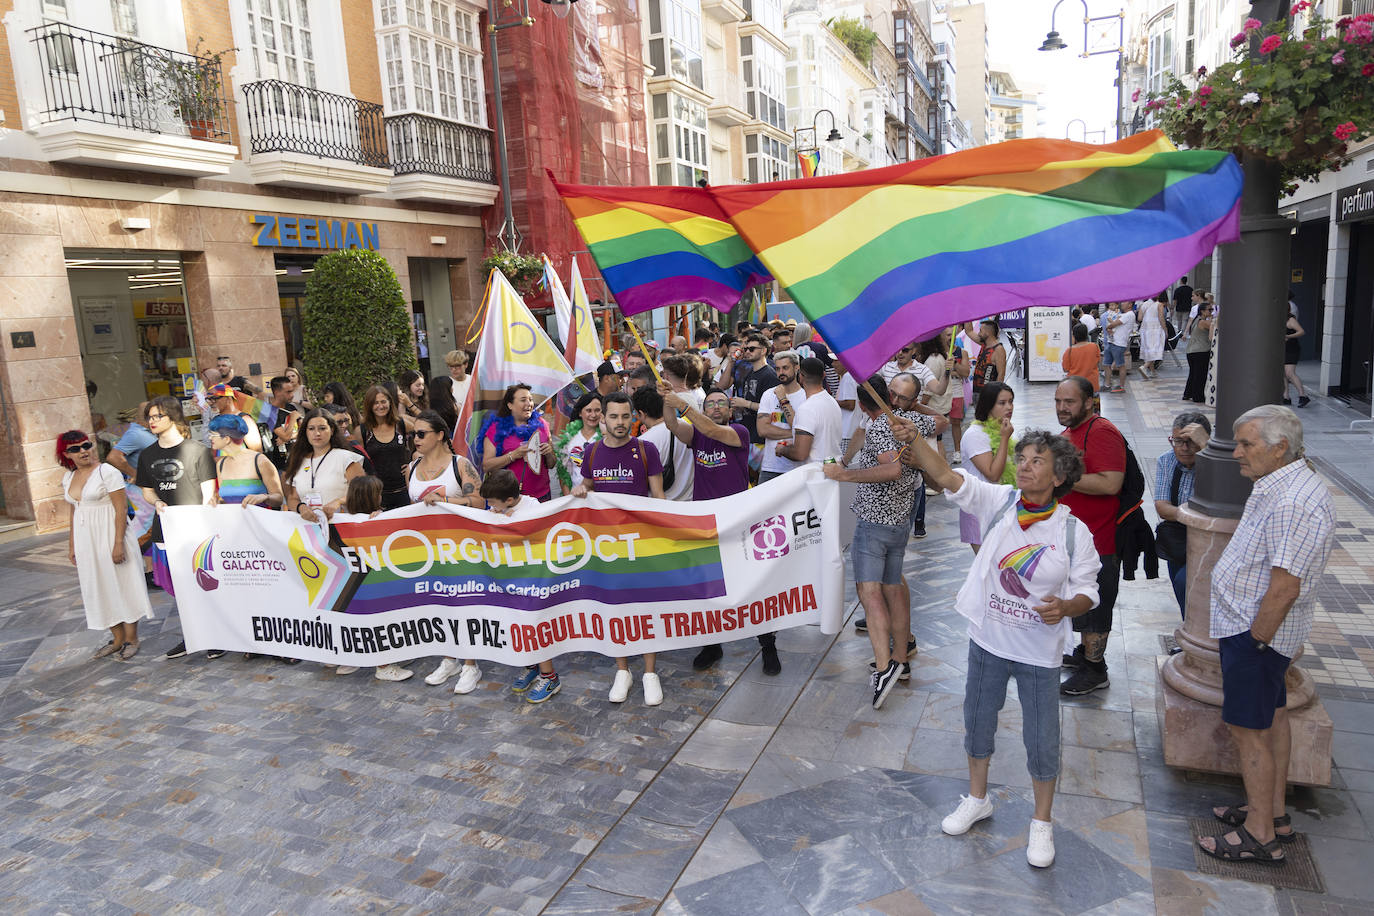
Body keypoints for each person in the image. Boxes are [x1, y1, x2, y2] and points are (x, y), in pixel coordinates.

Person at [896, 424, 1098, 867]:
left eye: (1036, 461)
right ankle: (977, 798)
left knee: (1042, 737)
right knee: (977, 720)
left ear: (1059, 476)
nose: (1024, 466)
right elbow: (949, 478)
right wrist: (913, 440)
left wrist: (1065, 606)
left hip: (1038, 653)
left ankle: (1041, 822)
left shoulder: (1072, 532)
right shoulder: (1001, 501)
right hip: (989, 641)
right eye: (1021, 458)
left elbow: (1088, 591)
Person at [1198, 405, 1335, 866]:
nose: (1236, 452)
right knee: (1271, 719)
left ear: (1279, 449)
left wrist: (1257, 640)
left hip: (1257, 636)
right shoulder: (1278, 483)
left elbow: (1285, 586)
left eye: (1245, 444)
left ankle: (1260, 836)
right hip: (1258, 634)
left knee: (1249, 731)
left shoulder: (1293, 499)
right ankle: (1271, 813)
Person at [821, 375, 935, 708]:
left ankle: (884, 668)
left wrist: (844, 474)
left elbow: (891, 470)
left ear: (860, 405)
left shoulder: (883, 428)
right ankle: (900, 661)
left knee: (869, 594)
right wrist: (846, 459)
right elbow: (936, 421)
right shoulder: (905, 420)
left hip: (876, 522)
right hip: (900, 520)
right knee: (893, 588)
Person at [658, 383, 781, 674]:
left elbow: (712, 431)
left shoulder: (739, 433)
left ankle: (767, 643)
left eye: (720, 403)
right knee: (709, 586)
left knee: (753, 585)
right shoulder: (696, 433)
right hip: (706, 523)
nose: (715, 407)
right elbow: (672, 424)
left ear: (730, 410)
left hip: (738, 522)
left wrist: (684, 405)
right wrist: (667, 399)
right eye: (710, 403)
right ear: (704, 409)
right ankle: (712, 645)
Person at [571, 392, 665, 705]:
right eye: (614, 417)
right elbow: (587, 489)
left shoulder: (646, 448)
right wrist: (579, 489)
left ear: (633, 417)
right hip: (606, 547)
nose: (621, 423)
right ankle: (622, 670)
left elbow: (658, 498)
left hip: (640, 544)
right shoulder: (592, 451)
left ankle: (650, 673)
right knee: (615, 608)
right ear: (603, 419)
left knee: (645, 608)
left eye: (626, 417)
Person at [403, 410, 485, 691]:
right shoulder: (412, 467)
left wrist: (446, 500)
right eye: (414, 433)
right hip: (426, 549)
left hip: (460, 546)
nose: (416, 438)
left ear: (440, 435)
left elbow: (480, 501)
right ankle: (450, 658)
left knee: (463, 603)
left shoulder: (459, 464)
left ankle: (471, 664)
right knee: (439, 604)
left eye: (422, 433)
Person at [1055, 377, 1125, 696]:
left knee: (1096, 608)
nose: (1062, 407)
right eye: (1058, 401)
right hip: (1075, 538)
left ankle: (1096, 669)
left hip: (1100, 539)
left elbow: (1111, 483)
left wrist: (1064, 477)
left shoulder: (1102, 431)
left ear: (1088, 402)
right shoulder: (1070, 433)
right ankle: (1084, 655)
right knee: (1081, 604)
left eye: (1069, 402)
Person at [59, 429, 154, 661]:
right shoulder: (68, 477)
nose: (83, 451)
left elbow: (121, 509)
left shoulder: (106, 472)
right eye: (75, 449)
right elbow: (74, 512)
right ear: (66, 454)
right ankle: (117, 638)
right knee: (98, 586)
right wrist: (72, 546)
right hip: (86, 540)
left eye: (86, 445)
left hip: (112, 534)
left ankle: (132, 639)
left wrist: (118, 543)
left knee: (124, 584)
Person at [136, 397, 218, 660]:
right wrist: (157, 501)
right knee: (180, 589)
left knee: (205, 584)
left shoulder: (197, 450)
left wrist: (204, 522)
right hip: (165, 530)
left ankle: (217, 636)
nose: (151, 421)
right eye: (149, 417)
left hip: (197, 531)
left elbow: (209, 492)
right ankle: (192, 636)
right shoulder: (147, 455)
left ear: (172, 416)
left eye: (156, 416)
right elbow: (147, 491)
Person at [495, 469, 564, 704]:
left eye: (495, 504)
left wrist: (515, 522)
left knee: (536, 625)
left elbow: (544, 533)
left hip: (534, 581)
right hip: (511, 581)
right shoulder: (497, 509)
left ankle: (550, 676)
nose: (492, 508)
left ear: (510, 500)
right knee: (519, 626)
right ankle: (532, 666)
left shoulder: (534, 507)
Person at [1154, 413, 1211, 617]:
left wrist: (1207, 451)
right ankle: (1190, 633)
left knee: (1185, 582)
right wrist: (1194, 516)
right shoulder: (1166, 461)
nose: (1184, 448)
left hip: (1209, 542)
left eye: (1191, 442)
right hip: (1178, 540)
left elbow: (1227, 489)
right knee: (1181, 589)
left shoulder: (1218, 465)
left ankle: (1199, 639)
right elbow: (1162, 507)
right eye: (1178, 441)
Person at [959, 382, 1017, 554]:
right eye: (1002, 403)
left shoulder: (1001, 429)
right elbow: (993, 474)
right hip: (980, 510)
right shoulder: (975, 434)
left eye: (1011, 401)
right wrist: (1005, 439)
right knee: (991, 569)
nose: (1009, 407)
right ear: (988, 404)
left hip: (1001, 507)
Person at [283, 409, 366, 524]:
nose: (317, 433)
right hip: (309, 531)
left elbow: (363, 492)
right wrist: (301, 508)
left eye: (322, 428)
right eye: (311, 429)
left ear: (332, 430)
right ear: (305, 432)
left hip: (344, 528)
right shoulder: (298, 461)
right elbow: (292, 498)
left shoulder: (346, 459)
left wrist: (339, 502)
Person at [481, 384, 554, 502]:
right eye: (523, 400)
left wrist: (549, 453)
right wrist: (513, 455)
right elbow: (486, 466)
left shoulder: (542, 424)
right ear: (510, 405)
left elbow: (551, 464)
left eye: (530, 399)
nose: (529, 404)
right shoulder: (496, 429)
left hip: (541, 495)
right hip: (509, 498)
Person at [776, 357, 842, 467]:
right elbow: (821, 438)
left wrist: (782, 449)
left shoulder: (807, 409)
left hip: (815, 475)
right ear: (824, 375)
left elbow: (800, 454)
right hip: (833, 470)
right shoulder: (832, 402)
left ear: (800, 377)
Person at [208, 414, 282, 509]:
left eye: (213, 435)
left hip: (259, 521)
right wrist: (216, 500)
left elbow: (279, 498)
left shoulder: (260, 461)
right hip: (234, 522)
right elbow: (224, 499)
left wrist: (265, 497)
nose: (210, 438)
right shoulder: (221, 464)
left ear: (226, 439)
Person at [634, 387, 695, 501]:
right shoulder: (685, 427)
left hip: (662, 508)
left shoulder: (643, 442)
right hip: (691, 503)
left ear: (641, 413)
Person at [731, 332, 779, 476]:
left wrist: (745, 403)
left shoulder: (770, 375)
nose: (747, 352)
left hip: (760, 438)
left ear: (764, 350)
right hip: (749, 433)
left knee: (756, 479)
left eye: (752, 349)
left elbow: (773, 410)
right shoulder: (750, 373)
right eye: (746, 349)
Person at [756, 350, 806, 484]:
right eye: (777, 369)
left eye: (785, 368)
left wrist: (783, 399)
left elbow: (798, 425)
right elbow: (762, 430)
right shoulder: (768, 394)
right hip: (770, 467)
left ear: (796, 368)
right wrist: (795, 433)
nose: (781, 372)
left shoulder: (805, 397)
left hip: (796, 468)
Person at [359, 385, 412, 510]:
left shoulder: (400, 424)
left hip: (404, 491)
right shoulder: (362, 431)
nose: (380, 406)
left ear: (390, 402)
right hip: (377, 496)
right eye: (375, 403)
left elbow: (428, 432)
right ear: (369, 405)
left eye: (383, 401)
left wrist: (414, 462)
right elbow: (358, 461)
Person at [554, 391, 603, 493]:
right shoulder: (570, 438)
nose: (593, 415)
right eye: (588, 410)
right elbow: (563, 472)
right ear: (580, 412)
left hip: (600, 497)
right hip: (576, 497)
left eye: (597, 410)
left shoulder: (606, 437)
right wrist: (568, 498)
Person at [205, 382, 263, 453]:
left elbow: (257, 451)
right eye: (208, 399)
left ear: (228, 398)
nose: (210, 403)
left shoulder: (245, 419)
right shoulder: (216, 420)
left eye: (214, 398)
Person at [1182, 300, 1215, 404]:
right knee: (1200, 375)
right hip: (1200, 351)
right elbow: (1215, 328)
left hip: (1191, 351)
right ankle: (1198, 396)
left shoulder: (1197, 319)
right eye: (1210, 310)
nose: (1212, 312)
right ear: (1202, 311)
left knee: (1193, 374)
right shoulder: (1203, 322)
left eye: (1212, 309)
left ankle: (1188, 394)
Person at [1101, 303, 1136, 394]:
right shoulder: (1122, 314)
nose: (1122, 304)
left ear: (1130, 304)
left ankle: (1121, 386)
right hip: (1111, 341)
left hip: (1119, 343)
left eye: (1124, 302)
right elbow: (1112, 323)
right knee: (1106, 364)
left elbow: (1113, 324)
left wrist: (1109, 326)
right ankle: (1107, 385)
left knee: (1120, 365)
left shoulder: (1129, 315)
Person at [1060, 324, 1102, 397]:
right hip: (1092, 385)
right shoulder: (1094, 347)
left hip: (1075, 386)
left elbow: (1065, 369)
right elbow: (1098, 362)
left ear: (1074, 336)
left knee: (1076, 407)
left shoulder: (1069, 351)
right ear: (1086, 334)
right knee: (1094, 407)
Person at [970, 320, 1005, 398]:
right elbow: (969, 331)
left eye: (980, 331)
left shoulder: (998, 349)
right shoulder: (984, 344)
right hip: (977, 391)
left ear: (987, 333)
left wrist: (996, 394)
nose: (978, 333)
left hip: (988, 393)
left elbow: (1001, 374)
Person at [1283, 313, 1309, 408]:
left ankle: (1303, 396)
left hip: (1291, 350)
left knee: (1290, 373)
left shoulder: (1290, 320)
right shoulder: (1279, 320)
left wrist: (1288, 336)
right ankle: (1286, 397)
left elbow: (1301, 332)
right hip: (1283, 349)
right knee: (1283, 374)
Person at [1138, 293, 1168, 376]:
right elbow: (1161, 318)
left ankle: (1152, 371)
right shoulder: (1159, 305)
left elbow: (1139, 318)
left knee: (1149, 350)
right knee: (1156, 349)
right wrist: (1165, 330)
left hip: (1145, 329)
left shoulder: (1143, 304)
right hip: (1156, 329)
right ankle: (1144, 367)